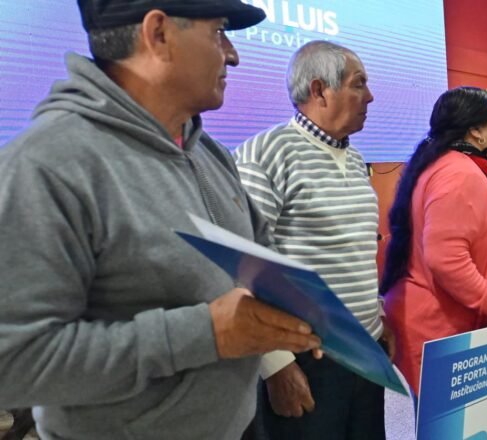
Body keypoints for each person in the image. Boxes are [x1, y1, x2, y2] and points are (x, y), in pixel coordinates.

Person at [0, 1, 323, 439]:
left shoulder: (208, 153)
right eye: (218, 32)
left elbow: (258, 251)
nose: (232, 55)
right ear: (159, 34)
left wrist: (298, 304)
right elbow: (14, 362)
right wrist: (205, 334)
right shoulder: (45, 166)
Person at [235, 40, 391, 440]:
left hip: (364, 350)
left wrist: (376, 317)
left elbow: (353, 250)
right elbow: (242, 267)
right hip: (306, 359)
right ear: (320, 90)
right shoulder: (265, 154)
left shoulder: (354, 158)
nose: (370, 97)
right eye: (359, 84)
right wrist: (276, 365)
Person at [380, 87, 487, 394]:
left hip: (434, 322)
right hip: (438, 327)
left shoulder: (442, 165)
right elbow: (446, 259)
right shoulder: (458, 173)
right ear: (476, 131)